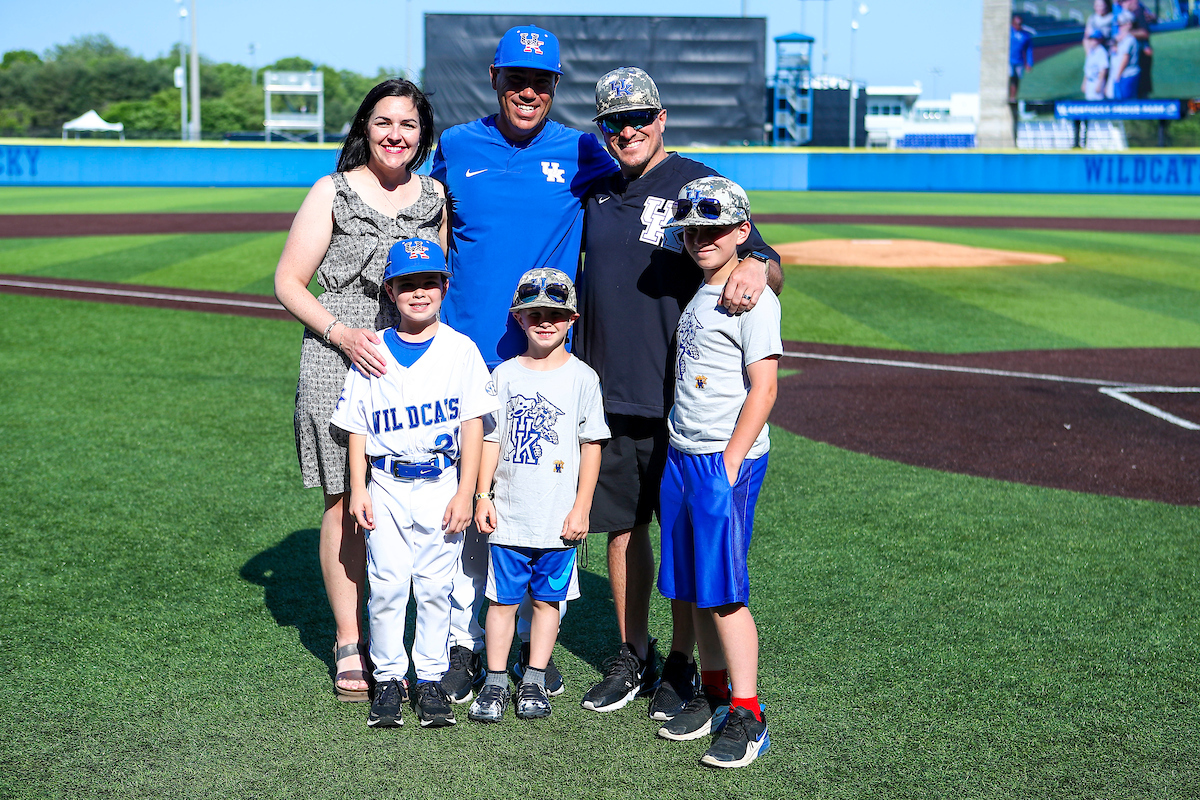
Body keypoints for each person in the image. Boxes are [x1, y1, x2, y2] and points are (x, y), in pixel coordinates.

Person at [574, 66, 781, 719]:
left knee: (688, 538)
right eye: (613, 121)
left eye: (639, 118)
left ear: (661, 119)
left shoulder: (697, 182)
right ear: (602, 129)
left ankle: (685, 666)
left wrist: (753, 263)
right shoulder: (596, 189)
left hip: (689, 405)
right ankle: (634, 655)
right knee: (624, 531)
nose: (627, 130)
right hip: (616, 391)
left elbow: (766, 258)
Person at [431, 24, 619, 703]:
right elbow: (422, 218)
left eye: (540, 82)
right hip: (468, 361)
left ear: (555, 88)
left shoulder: (581, 150)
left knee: (535, 508)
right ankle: (464, 646)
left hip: (541, 364)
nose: (528, 92)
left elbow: (658, 175)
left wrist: (757, 251)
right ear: (494, 78)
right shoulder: (455, 146)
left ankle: (531, 657)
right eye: (516, 79)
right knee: (468, 510)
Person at [274, 79, 446, 703]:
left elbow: (437, 281)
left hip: (407, 353)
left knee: (414, 489)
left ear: (423, 133)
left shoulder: (434, 197)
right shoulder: (332, 191)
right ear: (364, 128)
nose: (395, 134)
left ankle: (408, 642)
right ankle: (351, 641)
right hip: (337, 351)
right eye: (383, 123)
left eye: (407, 123)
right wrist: (341, 333)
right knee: (347, 497)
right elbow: (289, 281)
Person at [330, 238, 496, 728]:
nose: (418, 293)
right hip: (386, 484)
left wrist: (467, 491)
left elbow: (473, 423)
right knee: (385, 585)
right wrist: (357, 487)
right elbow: (358, 423)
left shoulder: (460, 350)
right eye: (407, 284)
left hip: (442, 482)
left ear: (445, 287)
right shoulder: (373, 349)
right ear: (390, 290)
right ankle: (387, 677)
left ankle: (428, 679)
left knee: (434, 586)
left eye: (428, 282)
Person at [653, 176, 780, 769]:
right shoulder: (704, 289)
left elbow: (765, 388)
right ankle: (711, 690)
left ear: (742, 232)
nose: (701, 238)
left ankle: (748, 712)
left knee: (724, 591)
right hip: (683, 453)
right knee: (695, 587)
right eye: (693, 230)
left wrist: (727, 466)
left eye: (715, 228)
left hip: (721, 461)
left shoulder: (753, 295)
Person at [467, 268, 609, 722]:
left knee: (549, 602)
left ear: (572, 319)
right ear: (519, 318)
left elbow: (592, 445)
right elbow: (490, 439)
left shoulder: (583, 378)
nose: (545, 322)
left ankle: (533, 679)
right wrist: (482, 495)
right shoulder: (504, 376)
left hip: (557, 519)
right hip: (508, 515)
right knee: (502, 600)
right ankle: (493, 682)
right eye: (535, 314)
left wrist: (582, 507)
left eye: (556, 314)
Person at [1109, 10, 1142, 100]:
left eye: (1121, 25)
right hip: (1123, 75)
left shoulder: (1129, 40)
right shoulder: (1122, 40)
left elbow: (1125, 58)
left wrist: (1118, 75)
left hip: (1127, 74)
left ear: (1129, 24)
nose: (1120, 28)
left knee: (1125, 103)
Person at [1009, 13, 1035, 104]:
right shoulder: (1008, 33)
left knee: (1016, 79)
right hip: (1009, 61)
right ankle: (1008, 95)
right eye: (1017, 24)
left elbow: (1029, 50)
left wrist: (1029, 63)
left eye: (1020, 24)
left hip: (1019, 61)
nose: (1018, 26)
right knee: (1010, 77)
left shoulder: (1025, 36)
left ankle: (1013, 97)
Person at [1082, 28, 1110, 100]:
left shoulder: (1101, 52)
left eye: (1095, 39)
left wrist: (1099, 84)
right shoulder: (1091, 52)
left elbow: (1103, 69)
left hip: (1096, 81)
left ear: (1100, 40)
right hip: (1089, 82)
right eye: (1091, 39)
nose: (1093, 41)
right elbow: (1087, 70)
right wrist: (1084, 83)